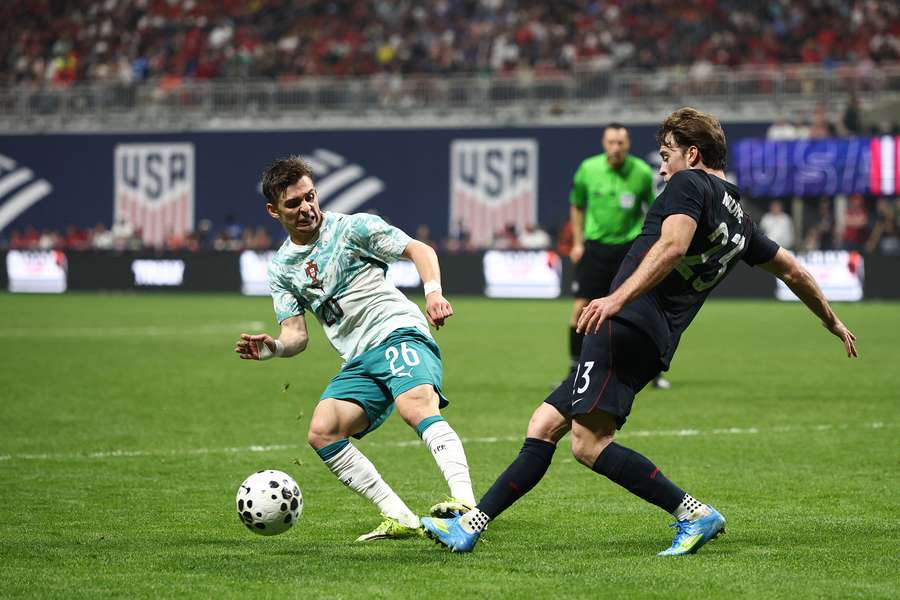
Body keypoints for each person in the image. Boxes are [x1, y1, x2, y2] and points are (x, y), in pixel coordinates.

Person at [422, 107, 857, 556]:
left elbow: (673, 245)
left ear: (692, 154)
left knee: (588, 445)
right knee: (544, 424)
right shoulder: (742, 223)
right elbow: (793, 270)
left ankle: (693, 513)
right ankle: (470, 526)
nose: (662, 167)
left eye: (667, 155)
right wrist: (831, 320)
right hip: (651, 338)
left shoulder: (689, 184)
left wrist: (616, 299)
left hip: (625, 325)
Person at [234, 156, 477, 542]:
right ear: (273, 211)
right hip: (360, 359)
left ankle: (465, 505)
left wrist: (433, 294)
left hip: (397, 331)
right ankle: (400, 516)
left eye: (310, 196)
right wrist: (275, 348)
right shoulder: (281, 268)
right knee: (323, 431)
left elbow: (420, 250)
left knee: (415, 406)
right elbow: (296, 335)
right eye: (293, 203)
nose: (306, 208)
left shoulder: (353, 228)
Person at [567, 123, 670, 389]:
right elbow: (577, 205)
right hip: (595, 249)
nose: (615, 148)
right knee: (581, 308)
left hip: (629, 249)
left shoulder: (641, 172)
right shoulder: (588, 169)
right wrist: (577, 243)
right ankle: (575, 371)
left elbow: (652, 210)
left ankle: (651, 372)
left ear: (628, 144)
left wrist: (649, 245)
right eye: (611, 142)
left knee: (640, 310)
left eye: (620, 143)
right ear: (604, 143)